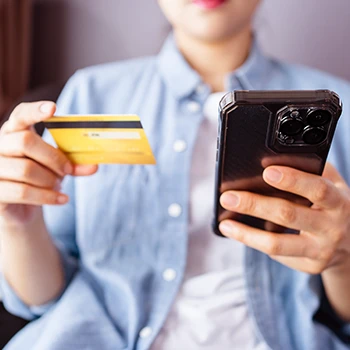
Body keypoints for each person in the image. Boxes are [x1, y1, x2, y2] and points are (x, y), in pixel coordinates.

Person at [0, 0, 350, 349]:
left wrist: (342, 257)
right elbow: (43, 299)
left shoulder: (339, 110)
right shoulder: (91, 94)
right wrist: (18, 222)